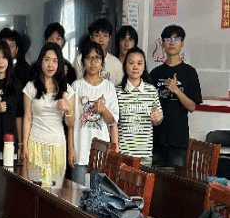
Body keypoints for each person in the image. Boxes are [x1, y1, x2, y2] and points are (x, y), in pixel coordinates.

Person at [20, 43, 75, 184]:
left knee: (55, 191)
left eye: (55, 61)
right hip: (35, 144)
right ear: (41, 62)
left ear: (59, 64)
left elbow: (70, 123)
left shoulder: (66, 89)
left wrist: (68, 108)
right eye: (47, 60)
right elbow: (27, 118)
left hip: (57, 146)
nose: (50, 64)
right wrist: (24, 145)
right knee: (35, 188)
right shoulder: (31, 87)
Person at [150, 25, 202, 167]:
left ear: (182, 43)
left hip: (178, 140)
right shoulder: (155, 73)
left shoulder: (189, 73)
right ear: (162, 44)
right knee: (154, 178)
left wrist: (176, 90)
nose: (172, 43)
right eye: (167, 39)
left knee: (176, 179)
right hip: (156, 138)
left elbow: (192, 107)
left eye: (176, 39)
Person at [70, 41, 119, 186]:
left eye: (97, 58)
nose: (93, 62)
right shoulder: (76, 86)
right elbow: (70, 122)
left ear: (102, 62)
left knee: (99, 196)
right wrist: (70, 149)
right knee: (78, 196)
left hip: (101, 154)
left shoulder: (109, 87)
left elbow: (112, 121)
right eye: (89, 58)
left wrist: (103, 109)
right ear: (83, 61)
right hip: (80, 152)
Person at [116, 46, 163, 165]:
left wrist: (158, 118)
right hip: (124, 153)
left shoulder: (151, 91)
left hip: (145, 154)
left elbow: (158, 119)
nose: (135, 67)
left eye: (139, 63)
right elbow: (113, 123)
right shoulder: (117, 91)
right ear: (125, 66)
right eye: (131, 63)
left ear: (144, 66)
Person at [73, 18, 123, 85]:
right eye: (97, 36)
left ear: (109, 38)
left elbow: (118, 88)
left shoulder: (116, 64)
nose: (101, 40)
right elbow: (77, 86)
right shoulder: (80, 60)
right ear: (91, 38)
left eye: (105, 36)